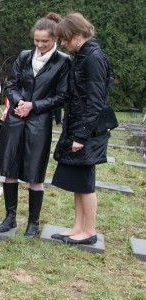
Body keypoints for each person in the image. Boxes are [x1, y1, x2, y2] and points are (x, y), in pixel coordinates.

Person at [0, 13, 70, 237]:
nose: (39, 44)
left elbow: (62, 96)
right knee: (9, 169)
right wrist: (19, 103)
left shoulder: (63, 62)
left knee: (35, 173)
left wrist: (33, 105)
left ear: (54, 38)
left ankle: (33, 222)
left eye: (44, 41)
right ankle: (10, 217)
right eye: (36, 40)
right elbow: (11, 84)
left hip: (39, 122)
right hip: (16, 119)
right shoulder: (24, 56)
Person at [51, 13, 111, 246]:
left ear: (77, 35)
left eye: (65, 39)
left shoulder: (94, 58)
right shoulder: (82, 55)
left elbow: (96, 101)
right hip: (77, 126)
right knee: (77, 181)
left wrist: (81, 135)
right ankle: (77, 227)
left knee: (86, 183)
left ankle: (90, 231)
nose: (64, 44)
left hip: (89, 130)